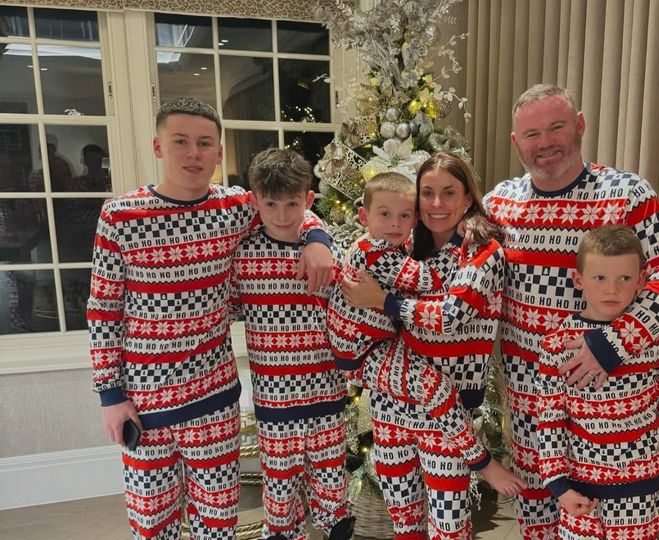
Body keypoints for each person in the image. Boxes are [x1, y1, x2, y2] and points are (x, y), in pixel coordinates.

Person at [87, 96, 333, 539]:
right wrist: (110, 394)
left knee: (217, 524)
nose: (193, 153)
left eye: (204, 143)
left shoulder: (235, 207)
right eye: (180, 141)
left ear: (219, 152)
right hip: (145, 404)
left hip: (214, 400)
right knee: (152, 525)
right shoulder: (120, 216)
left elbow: (290, 205)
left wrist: (318, 240)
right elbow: (103, 311)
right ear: (158, 146)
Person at [482, 83, 659, 537]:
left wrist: (612, 344)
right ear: (516, 142)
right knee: (539, 522)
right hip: (532, 407)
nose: (545, 143)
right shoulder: (498, 205)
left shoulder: (628, 193)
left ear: (579, 125)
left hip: (608, 412)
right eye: (532, 134)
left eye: (556, 127)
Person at [343, 153, 525, 539]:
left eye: (449, 192)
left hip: (447, 414)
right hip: (391, 405)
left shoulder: (484, 252)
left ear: (467, 198)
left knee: (448, 527)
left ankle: (482, 463)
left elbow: (451, 315)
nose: (437, 203)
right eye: (427, 193)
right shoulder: (406, 244)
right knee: (405, 524)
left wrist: (384, 301)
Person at [229, 147, 354, 540]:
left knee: (333, 493)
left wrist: (318, 236)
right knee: (280, 497)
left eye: (292, 204)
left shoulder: (327, 253)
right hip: (274, 400)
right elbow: (227, 307)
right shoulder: (243, 254)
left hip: (326, 393)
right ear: (255, 201)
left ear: (308, 200)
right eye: (270, 204)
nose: (282, 215)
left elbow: (349, 311)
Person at [536, 224, 659, 539]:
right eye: (600, 278)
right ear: (578, 280)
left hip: (639, 491)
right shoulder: (557, 343)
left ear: (641, 280)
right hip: (580, 490)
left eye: (624, 278)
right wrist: (559, 485)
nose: (612, 290)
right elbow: (550, 419)